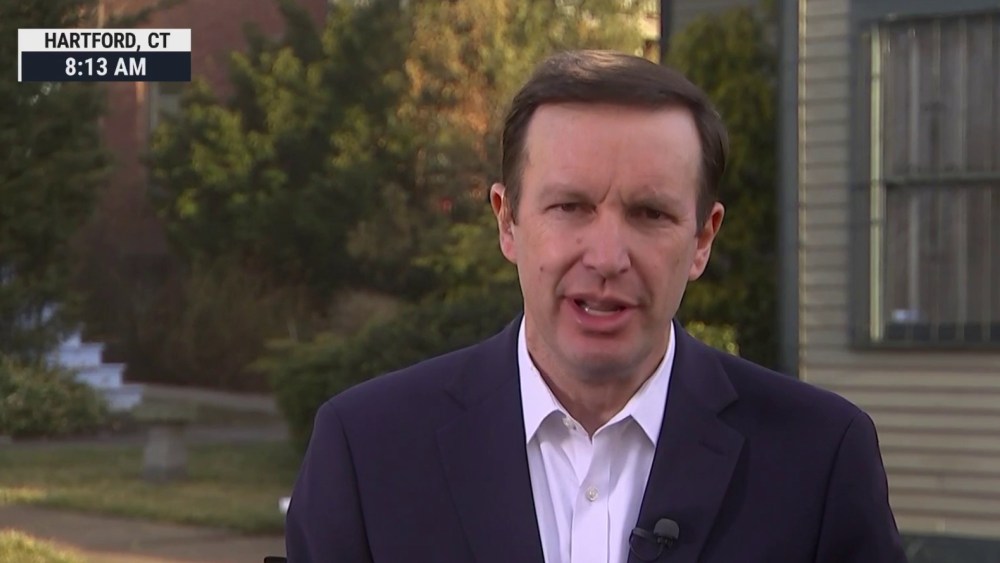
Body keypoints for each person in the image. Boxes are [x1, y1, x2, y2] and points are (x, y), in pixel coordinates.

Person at [284, 50, 907, 563]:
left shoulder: (820, 459)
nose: (608, 257)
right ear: (507, 222)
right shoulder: (367, 451)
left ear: (702, 239)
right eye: (570, 207)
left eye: (650, 213)